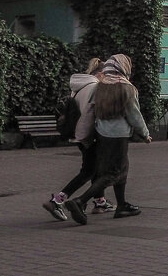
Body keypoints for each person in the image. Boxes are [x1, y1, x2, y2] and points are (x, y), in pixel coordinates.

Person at [64, 54, 151, 224]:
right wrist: (145, 133)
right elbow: (134, 114)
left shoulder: (101, 86)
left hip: (101, 134)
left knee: (120, 170)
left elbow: (91, 110)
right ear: (123, 67)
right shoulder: (127, 88)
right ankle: (80, 201)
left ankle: (122, 205)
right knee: (113, 173)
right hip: (119, 136)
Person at [44, 58, 113, 219]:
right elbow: (93, 112)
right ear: (101, 74)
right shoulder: (95, 87)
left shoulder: (78, 87)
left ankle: (100, 202)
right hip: (90, 134)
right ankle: (57, 200)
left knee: (95, 168)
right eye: (107, 77)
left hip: (78, 133)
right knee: (88, 171)